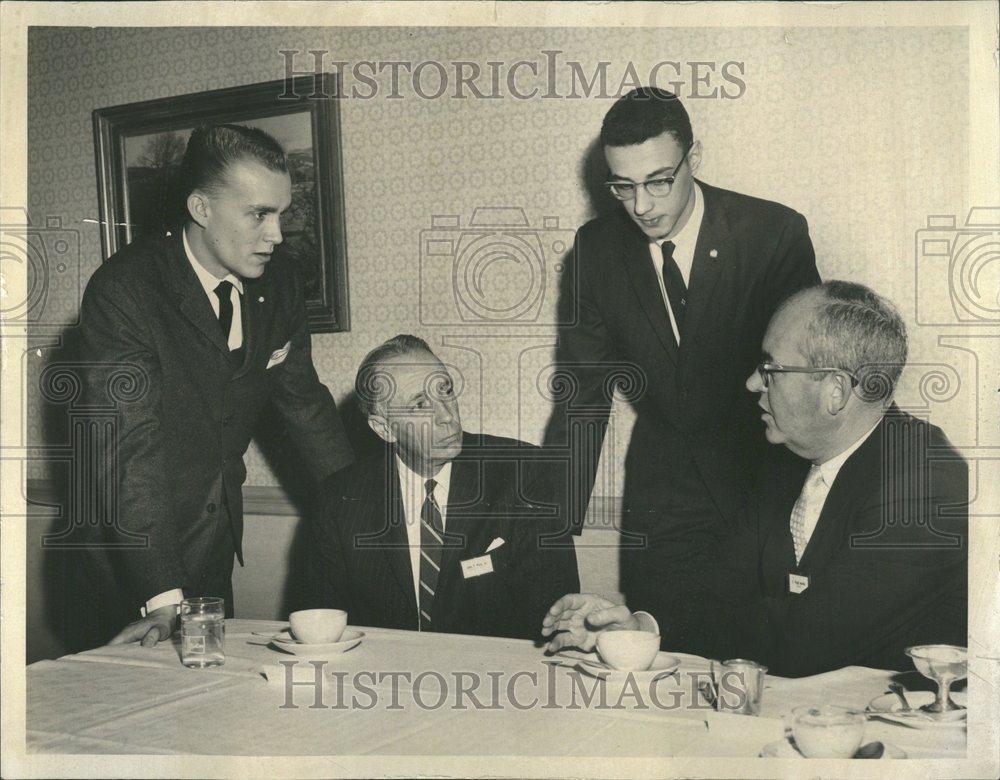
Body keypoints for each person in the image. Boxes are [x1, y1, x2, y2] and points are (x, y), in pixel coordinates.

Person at [543, 281, 968, 677]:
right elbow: (719, 590)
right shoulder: (784, 464)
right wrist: (640, 626)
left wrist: (668, 633)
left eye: (771, 369)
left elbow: (807, 641)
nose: (751, 383)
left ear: (836, 391)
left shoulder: (928, 484)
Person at [543, 87, 820, 620]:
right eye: (622, 187)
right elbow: (583, 395)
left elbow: (802, 373)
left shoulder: (771, 234)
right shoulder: (597, 252)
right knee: (660, 665)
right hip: (663, 502)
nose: (641, 206)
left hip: (763, 486)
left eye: (658, 181)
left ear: (694, 159)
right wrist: (551, 524)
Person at [78, 124, 354, 647]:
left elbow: (308, 411)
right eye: (259, 215)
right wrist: (161, 600)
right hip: (130, 558)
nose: (277, 234)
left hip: (212, 541)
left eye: (282, 213)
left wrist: (366, 519)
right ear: (201, 209)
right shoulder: (125, 290)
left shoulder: (281, 283)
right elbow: (129, 448)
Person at [307, 335, 580, 641]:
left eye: (445, 391)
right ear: (383, 428)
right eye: (421, 405)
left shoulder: (523, 473)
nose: (448, 416)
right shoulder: (339, 499)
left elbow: (556, 615)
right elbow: (320, 625)